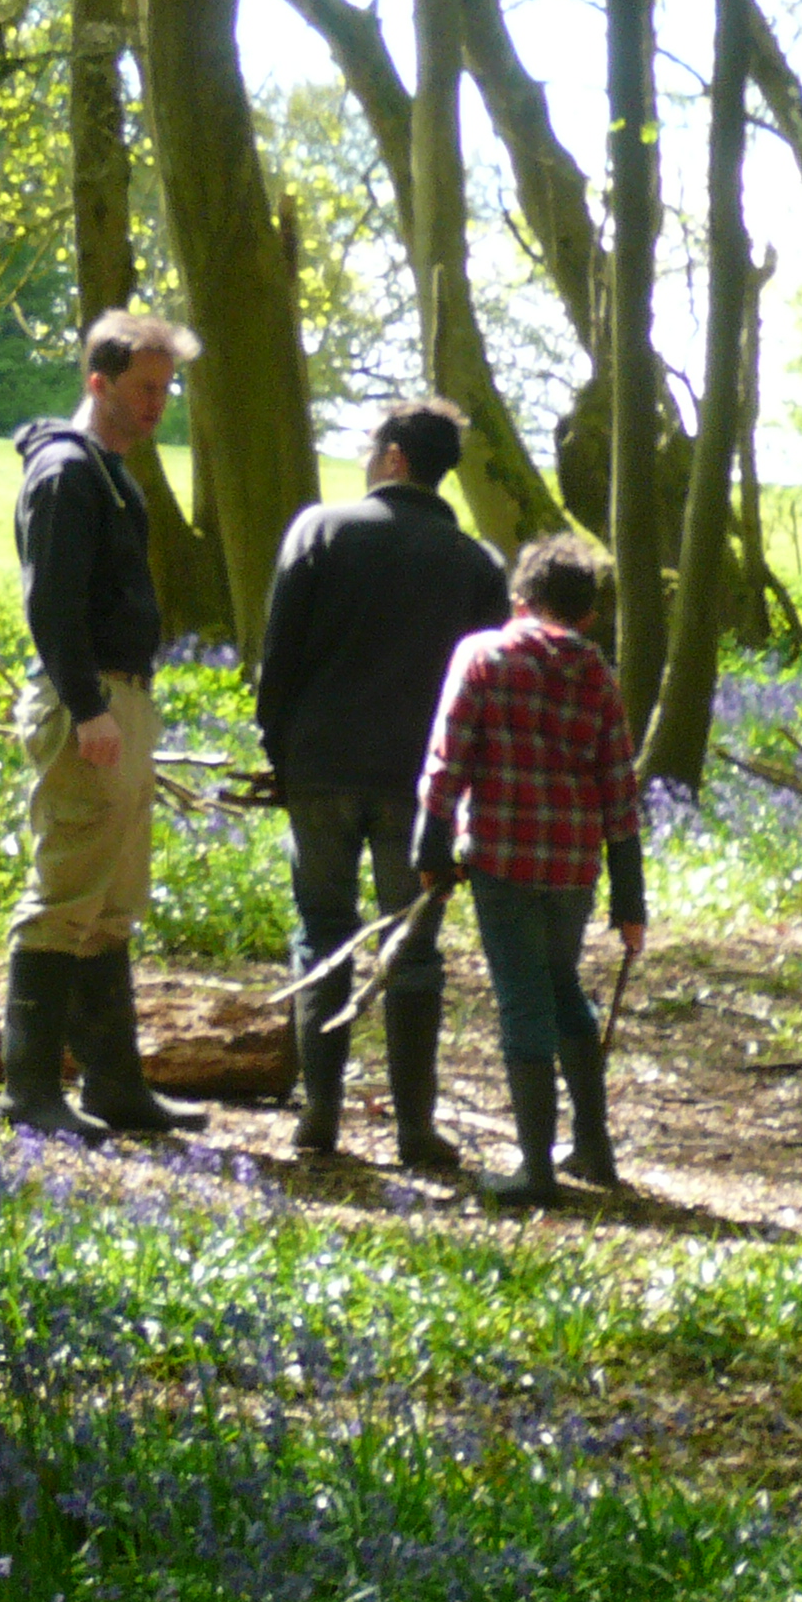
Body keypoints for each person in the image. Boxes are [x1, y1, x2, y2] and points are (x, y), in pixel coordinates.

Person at [257, 399, 508, 1166]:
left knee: (321, 935)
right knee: (414, 954)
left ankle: (320, 1115)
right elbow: (484, 694)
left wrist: (280, 754)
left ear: (395, 457)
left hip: (322, 769)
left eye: (373, 447)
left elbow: (279, 660)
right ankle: (412, 1129)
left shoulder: (319, 531)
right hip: (422, 787)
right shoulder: (475, 563)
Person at [0, 311, 209, 1140]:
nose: (160, 404)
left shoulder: (111, 474)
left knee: (113, 900)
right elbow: (48, 604)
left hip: (122, 700)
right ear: (99, 382)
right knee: (64, 895)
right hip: (85, 701)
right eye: (145, 388)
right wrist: (88, 708)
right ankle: (31, 1095)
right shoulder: (65, 472)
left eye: (166, 389)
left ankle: (114, 1087)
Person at [413, 536, 646, 1207]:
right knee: (560, 983)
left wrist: (430, 851)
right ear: (589, 615)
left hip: (502, 859)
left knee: (522, 1001)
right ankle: (594, 1146)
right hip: (574, 866)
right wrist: (630, 899)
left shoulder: (483, 657)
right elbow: (619, 793)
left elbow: (446, 762)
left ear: (521, 600)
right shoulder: (599, 675)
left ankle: (537, 1169)